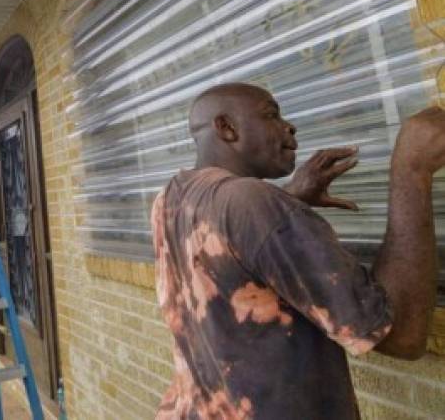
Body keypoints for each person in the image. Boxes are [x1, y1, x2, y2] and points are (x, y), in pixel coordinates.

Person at [152, 82, 445, 419]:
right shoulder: (252, 203)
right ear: (226, 128)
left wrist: (287, 200)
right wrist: (412, 169)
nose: (290, 125)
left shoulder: (170, 198)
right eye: (271, 115)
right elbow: (403, 337)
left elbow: (229, 253)